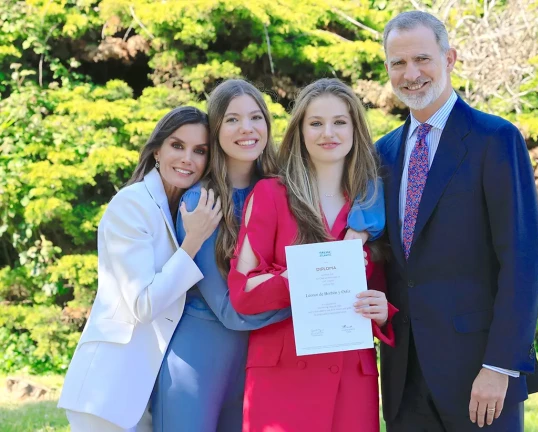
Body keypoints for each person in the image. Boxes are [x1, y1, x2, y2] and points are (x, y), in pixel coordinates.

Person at [152, 79, 386, 432]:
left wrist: (375, 304)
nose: (246, 129)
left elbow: (383, 278)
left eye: (255, 117)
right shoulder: (211, 202)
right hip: (212, 351)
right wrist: (318, 283)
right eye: (231, 120)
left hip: (301, 361)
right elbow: (233, 306)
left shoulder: (300, 187)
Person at [376, 11, 538, 432]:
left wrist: (501, 366)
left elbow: (523, 262)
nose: (410, 74)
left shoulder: (495, 139)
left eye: (422, 59)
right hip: (404, 379)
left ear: (449, 58)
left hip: (479, 375)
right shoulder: (382, 153)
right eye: (398, 63)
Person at [227, 78, 397, 432]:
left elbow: (385, 289)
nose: (327, 133)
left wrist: (382, 312)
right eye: (316, 123)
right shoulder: (270, 194)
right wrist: (305, 276)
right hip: (282, 377)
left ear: (355, 130)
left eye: (339, 122)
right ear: (300, 131)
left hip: (352, 377)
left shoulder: (373, 204)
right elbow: (242, 293)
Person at [58, 107, 222, 431]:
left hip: (148, 393)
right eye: (177, 145)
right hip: (108, 392)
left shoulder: (185, 207)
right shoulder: (131, 205)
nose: (187, 158)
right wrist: (193, 241)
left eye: (199, 151)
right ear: (157, 151)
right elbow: (142, 304)